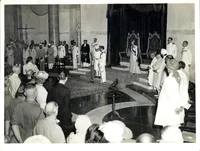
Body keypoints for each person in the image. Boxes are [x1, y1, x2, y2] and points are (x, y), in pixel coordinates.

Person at [154, 59, 185, 127]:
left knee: (168, 127)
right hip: (175, 105)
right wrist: (180, 105)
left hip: (169, 106)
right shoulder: (177, 77)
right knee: (173, 125)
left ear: (169, 68)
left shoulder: (169, 79)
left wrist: (176, 107)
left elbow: (170, 95)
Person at [47, 70, 73, 137]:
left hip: (54, 115)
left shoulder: (52, 88)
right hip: (63, 118)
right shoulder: (66, 90)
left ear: (58, 78)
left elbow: (48, 101)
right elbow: (66, 106)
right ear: (66, 78)